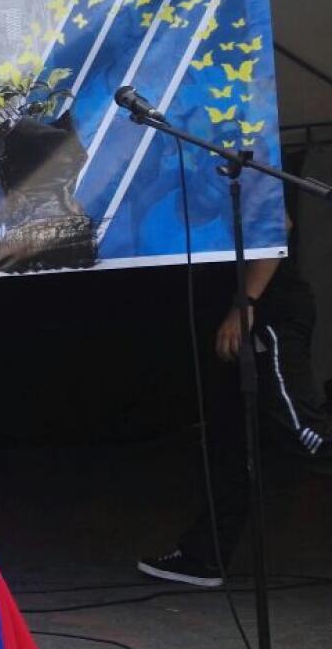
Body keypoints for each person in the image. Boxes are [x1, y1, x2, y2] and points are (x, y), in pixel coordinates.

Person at [138, 205, 328, 587]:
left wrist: (246, 302)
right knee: (230, 441)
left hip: (265, 313)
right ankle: (204, 555)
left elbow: (278, 221)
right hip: (229, 313)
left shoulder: (236, 151)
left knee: (302, 432)